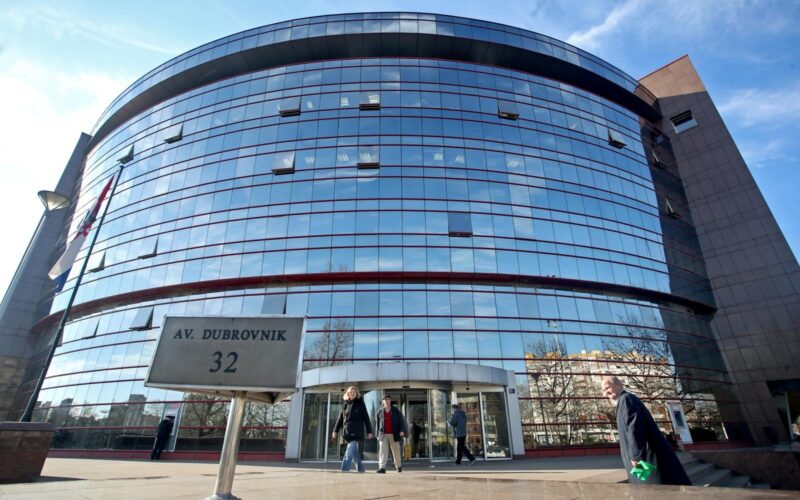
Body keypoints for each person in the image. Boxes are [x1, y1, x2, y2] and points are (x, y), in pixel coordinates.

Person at [601, 376, 691, 485]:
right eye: (604, 390)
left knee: (651, 486)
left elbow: (635, 428)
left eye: (607, 388)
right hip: (642, 457)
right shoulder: (624, 400)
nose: (605, 393)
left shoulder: (626, 400)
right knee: (646, 485)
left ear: (618, 385)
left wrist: (636, 456)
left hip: (644, 458)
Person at [332, 386, 373, 472]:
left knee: (349, 451)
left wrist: (369, 431)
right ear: (348, 394)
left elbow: (366, 418)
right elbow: (340, 419)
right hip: (347, 432)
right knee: (354, 452)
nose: (352, 393)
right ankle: (361, 469)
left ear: (356, 393)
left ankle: (344, 469)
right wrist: (335, 431)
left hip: (356, 432)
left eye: (354, 392)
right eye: (350, 392)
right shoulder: (345, 404)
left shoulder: (361, 404)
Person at [375, 395, 407, 473]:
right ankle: (382, 468)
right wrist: (377, 434)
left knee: (396, 451)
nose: (387, 401)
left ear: (390, 400)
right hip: (383, 434)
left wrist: (401, 430)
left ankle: (398, 466)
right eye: (385, 400)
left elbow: (401, 421)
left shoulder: (395, 410)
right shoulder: (379, 412)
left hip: (394, 434)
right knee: (383, 451)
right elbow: (377, 424)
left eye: (388, 399)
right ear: (383, 401)